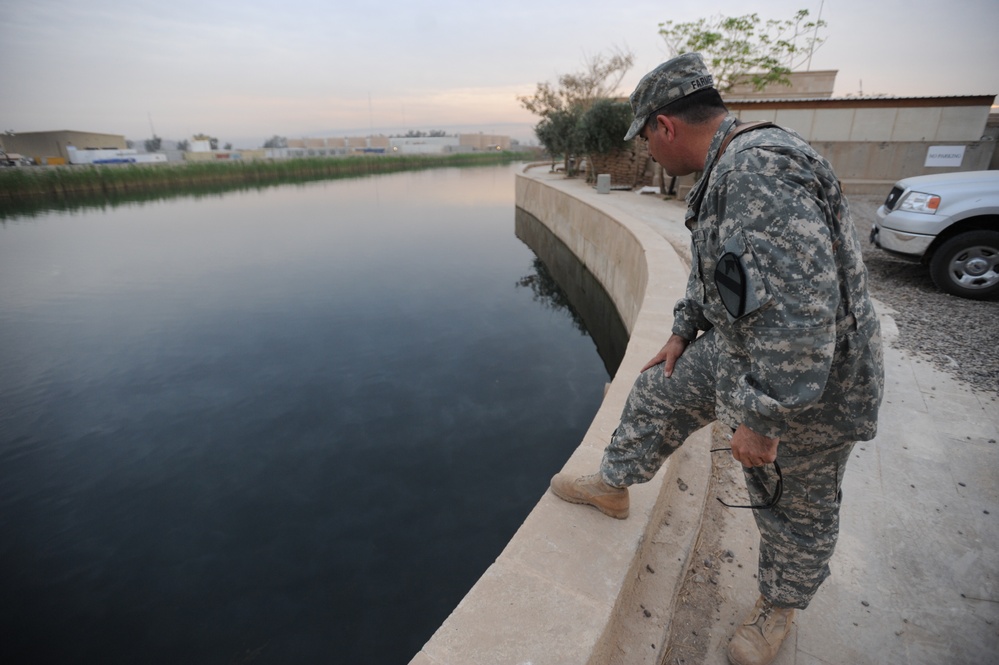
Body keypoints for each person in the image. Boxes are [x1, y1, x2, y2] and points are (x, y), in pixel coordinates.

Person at [549, 53, 884, 665]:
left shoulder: (757, 171)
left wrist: (764, 418)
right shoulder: (726, 163)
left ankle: (776, 610)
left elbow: (802, 312)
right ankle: (614, 485)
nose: (648, 153)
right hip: (745, 349)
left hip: (814, 382)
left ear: (665, 126)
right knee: (660, 388)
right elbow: (726, 275)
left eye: (646, 138)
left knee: (791, 498)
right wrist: (683, 330)